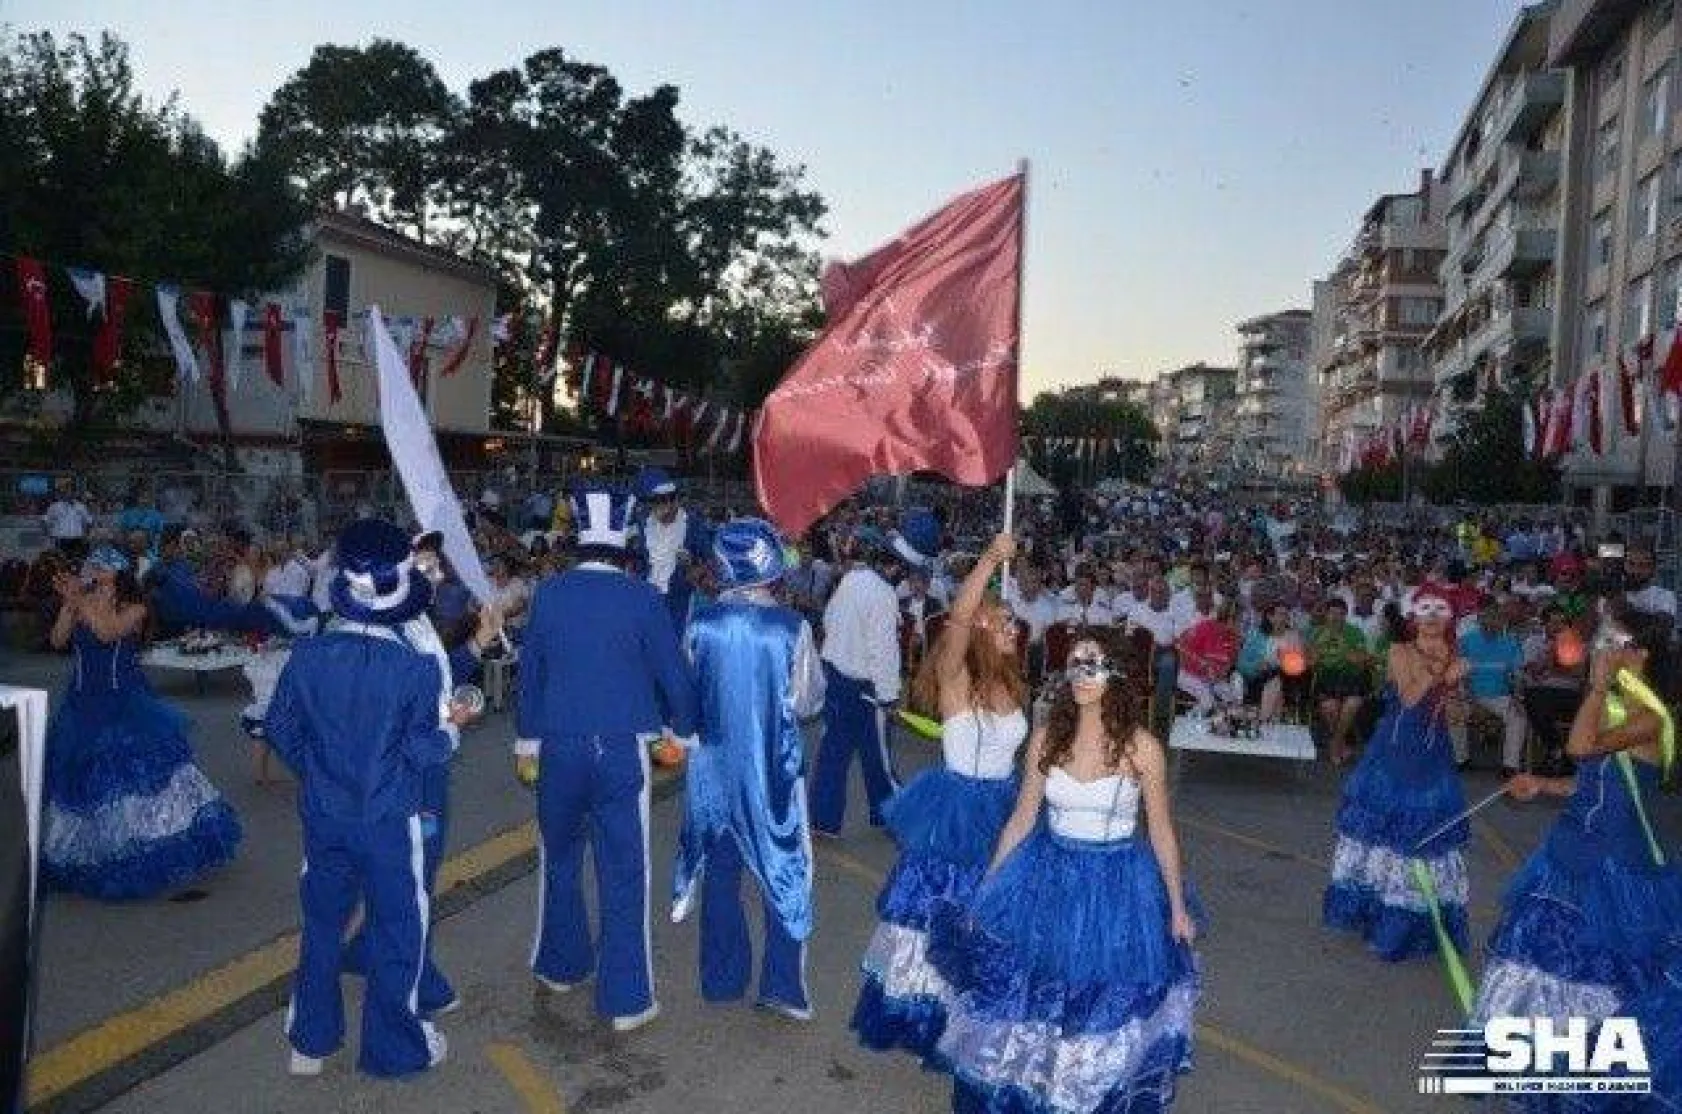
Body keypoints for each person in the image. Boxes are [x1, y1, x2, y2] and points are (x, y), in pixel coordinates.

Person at [928, 633, 1200, 1111]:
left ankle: (1088, 1092)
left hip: (1116, 884)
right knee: (1036, 989)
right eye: (1074, 663)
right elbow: (1020, 820)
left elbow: (1161, 832)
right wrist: (989, 887)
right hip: (1048, 875)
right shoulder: (1044, 739)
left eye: (1091, 664)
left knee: (1097, 997)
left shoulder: (1142, 748)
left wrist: (1176, 906)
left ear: (1114, 673)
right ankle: (1036, 1086)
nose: (1080, 673)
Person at [266, 519, 468, 1077]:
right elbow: (426, 751)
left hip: (325, 814)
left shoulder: (307, 655)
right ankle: (394, 1049)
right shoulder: (414, 667)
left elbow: (278, 727)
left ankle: (310, 1041)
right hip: (388, 818)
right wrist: (453, 730)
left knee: (323, 924)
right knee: (399, 927)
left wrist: (318, 770)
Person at [516, 486, 698, 1032]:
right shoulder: (644, 598)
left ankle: (561, 965)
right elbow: (676, 678)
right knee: (625, 872)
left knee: (560, 860)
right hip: (621, 751)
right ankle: (625, 1000)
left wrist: (527, 744)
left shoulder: (547, 593)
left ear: (578, 541)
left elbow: (530, 678)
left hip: (557, 746)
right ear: (624, 542)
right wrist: (680, 735)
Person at [1470, 627, 1681, 1096]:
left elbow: (1579, 748)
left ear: (1642, 655)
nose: (1600, 651)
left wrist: (1600, 684)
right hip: (1568, 854)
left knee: (1598, 969)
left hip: (1615, 867)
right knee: (1540, 961)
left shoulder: (1651, 718)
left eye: (1615, 643)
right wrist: (1544, 786)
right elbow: (1592, 783)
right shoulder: (1611, 709)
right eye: (1600, 642)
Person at [854, 531, 1028, 1060]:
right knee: (939, 910)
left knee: (990, 916)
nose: (1013, 629)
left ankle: (976, 1019)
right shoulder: (955, 676)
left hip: (1001, 803)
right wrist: (989, 559)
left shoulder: (1014, 683)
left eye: (1012, 622)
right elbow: (956, 619)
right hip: (955, 809)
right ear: (981, 627)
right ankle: (926, 1016)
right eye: (1003, 622)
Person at [671, 519, 825, 1021]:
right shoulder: (791, 628)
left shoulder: (700, 622)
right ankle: (781, 985)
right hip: (772, 774)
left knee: (720, 872)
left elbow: (686, 695)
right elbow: (805, 703)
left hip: (713, 771)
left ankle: (721, 979)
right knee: (784, 871)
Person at [41, 546, 242, 900]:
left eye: (99, 567)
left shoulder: (136, 608)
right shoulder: (81, 601)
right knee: (85, 783)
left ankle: (142, 849)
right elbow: (58, 640)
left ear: (117, 574)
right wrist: (70, 605)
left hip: (124, 704)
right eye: (91, 565)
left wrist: (81, 600)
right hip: (81, 704)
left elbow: (106, 632)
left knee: (133, 780)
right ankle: (90, 853)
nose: (91, 570)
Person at [1322, 587, 1470, 961]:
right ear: (1413, 616)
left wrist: (1456, 691)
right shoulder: (1399, 651)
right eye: (1426, 609)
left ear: (1450, 617)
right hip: (1393, 752)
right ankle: (1371, 911)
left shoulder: (1455, 656)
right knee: (1384, 831)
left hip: (1433, 755)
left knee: (1423, 837)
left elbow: (1455, 717)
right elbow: (1409, 697)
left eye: (1441, 609)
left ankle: (1409, 921)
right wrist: (1442, 673)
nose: (1433, 616)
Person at [810, 523, 913, 838]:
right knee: (878, 756)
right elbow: (882, 651)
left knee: (833, 752)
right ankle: (891, 815)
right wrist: (889, 695)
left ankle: (823, 819)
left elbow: (827, 621)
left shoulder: (849, 581)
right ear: (893, 566)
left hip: (836, 678)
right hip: (867, 688)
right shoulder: (883, 595)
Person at [1453, 598, 1527, 777]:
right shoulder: (1466, 641)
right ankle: (1461, 760)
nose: (1492, 621)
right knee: (1453, 711)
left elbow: (1517, 676)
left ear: (1501, 619)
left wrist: (1517, 697)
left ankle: (1510, 766)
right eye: (1487, 617)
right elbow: (1460, 676)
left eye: (1496, 617)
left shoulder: (1511, 642)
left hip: (1499, 696)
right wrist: (1472, 700)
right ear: (1479, 618)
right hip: (1470, 694)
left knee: (1518, 715)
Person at [632, 467, 711, 630]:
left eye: (671, 498)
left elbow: (711, 558)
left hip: (679, 601)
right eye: (659, 500)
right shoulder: (641, 525)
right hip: (646, 598)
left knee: (676, 642)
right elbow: (632, 558)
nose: (668, 504)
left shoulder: (692, 525)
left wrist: (696, 569)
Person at [1309, 597, 1373, 766]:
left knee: (1351, 704)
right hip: (1326, 679)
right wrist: (1318, 651)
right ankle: (1341, 745)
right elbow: (1310, 663)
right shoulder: (1317, 632)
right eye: (1332, 613)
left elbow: (1362, 661)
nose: (1336, 617)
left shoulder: (1355, 632)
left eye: (1340, 614)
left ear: (1346, 615)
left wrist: (1344, 648)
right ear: (1326, 615)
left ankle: (1335, 745)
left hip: (1351, 679)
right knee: (1330, 707)